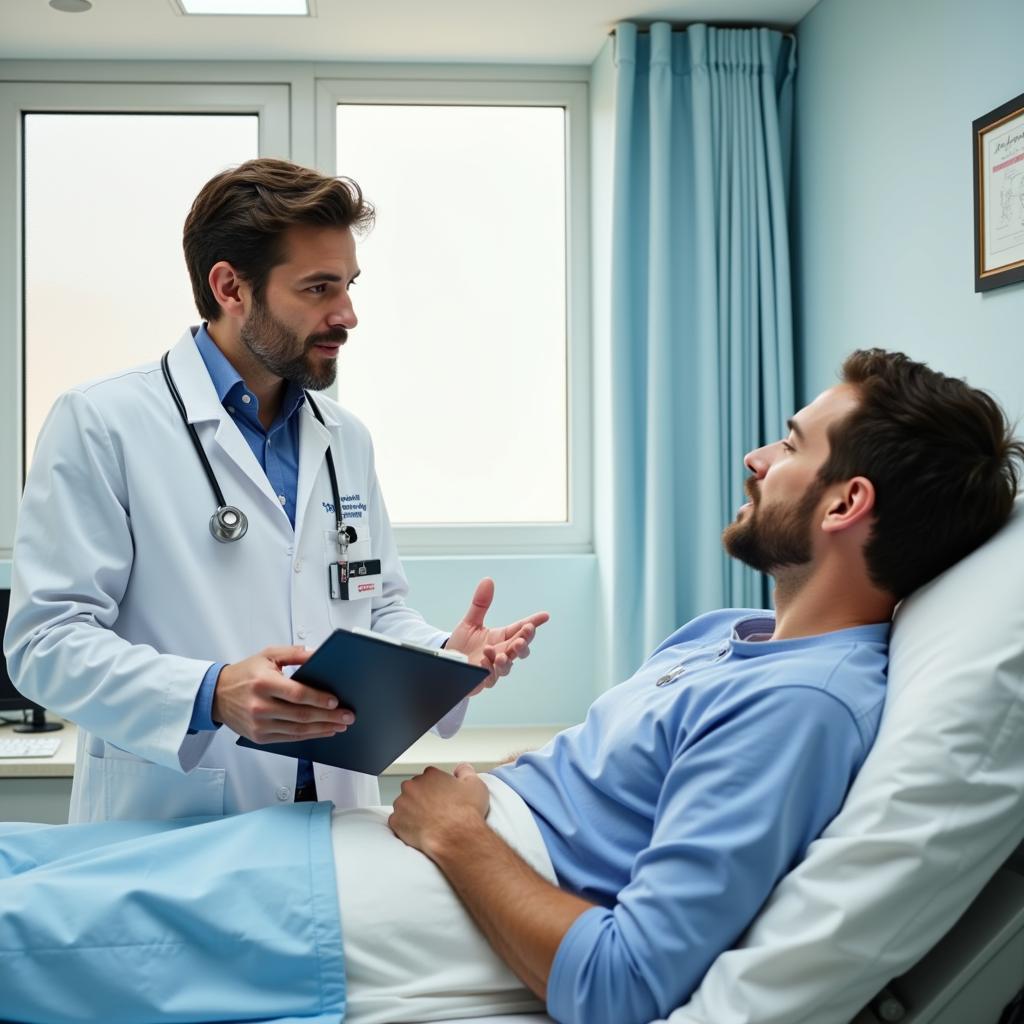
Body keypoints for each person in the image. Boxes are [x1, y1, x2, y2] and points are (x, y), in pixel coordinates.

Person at [1, 350, 1021, 1024]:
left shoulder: (802, 706)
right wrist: (452, 713)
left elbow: (623, 981)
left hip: (420, 879)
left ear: (846, 501)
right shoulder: (731, 635)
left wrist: (456, 827)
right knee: (21, 860)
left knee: (23, 935)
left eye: (791, 444)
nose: (759, 455)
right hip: (389, 837)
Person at [2, 158, 547, 824]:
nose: (346, 314)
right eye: (319, 289)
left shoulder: (344, 439)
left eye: (348, 285)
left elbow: (373, 616)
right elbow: (45, 643)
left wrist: (446, 659)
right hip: (176, 820)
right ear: (231, 287)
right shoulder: (101, 422)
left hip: (334, 815)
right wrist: (210, 693)